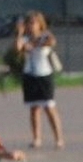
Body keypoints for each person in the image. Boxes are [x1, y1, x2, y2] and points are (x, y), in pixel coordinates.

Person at [14, 12, 64, 149]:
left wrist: (36, 43)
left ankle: (58, 138)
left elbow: (52, 41)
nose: (31, 26)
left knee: (49, 107)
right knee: (34, 108)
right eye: (28, 23)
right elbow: (18, 48)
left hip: (44, 74)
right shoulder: (25, 38)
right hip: (29, 74)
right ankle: (36, 138)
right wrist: (19, 33)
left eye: (33, 23)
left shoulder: (45, 36)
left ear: (39, 24)